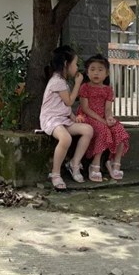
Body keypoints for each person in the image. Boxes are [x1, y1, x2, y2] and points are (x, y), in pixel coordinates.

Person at [39, 45, 94, 191]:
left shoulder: (62, 81)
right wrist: (77, 84)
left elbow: (64, 106)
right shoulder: (57, 81)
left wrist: (74, 117)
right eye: (75, 64)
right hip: (51, 119)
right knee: (66, 139)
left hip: (62, 119)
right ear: (65, 64)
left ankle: (74, 163)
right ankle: (55, 174)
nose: (77, 67)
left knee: (88, 130)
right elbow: (69, 101)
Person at [76, 54, 130, 181]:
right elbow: (85, 108)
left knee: (120, 130)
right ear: (87, 72)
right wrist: (102, 121)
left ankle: (115, 162)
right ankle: (95, 163)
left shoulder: (108, 90)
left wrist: (109, 118)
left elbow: (108, 109)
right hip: (88, 117)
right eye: (92, 69)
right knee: (102, 130)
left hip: (103, 118)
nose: (96, 73)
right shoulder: (85, 87)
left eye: (100, 70)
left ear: (106, 74)